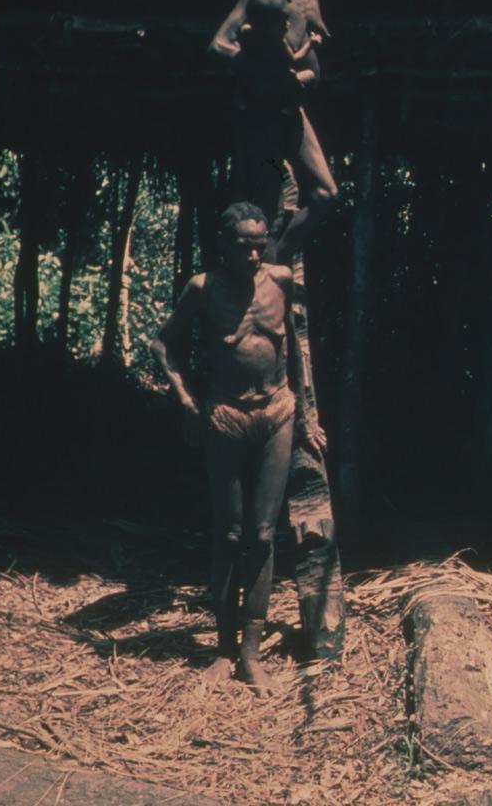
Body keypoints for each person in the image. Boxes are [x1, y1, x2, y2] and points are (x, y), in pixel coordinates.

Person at [150, 202, 324, 696]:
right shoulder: (203, 288)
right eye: (243, 243)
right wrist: (186, 402)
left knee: (264, 535)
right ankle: (224, 651)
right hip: (224, 417)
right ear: (224, 244)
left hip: (277, 415)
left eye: (259, 241)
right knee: (229, 534)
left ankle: (251, 653)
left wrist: (308, 417)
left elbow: (294, 348)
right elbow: (164, 344)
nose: (252, 253)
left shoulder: (282, 279)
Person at [208, 0, 337, 261]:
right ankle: (257, 272)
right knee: (263, 207)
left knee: (326, 195)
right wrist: (262, 73)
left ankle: (276, 257)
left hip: (293, 105)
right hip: (264, 110)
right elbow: (218, 44)